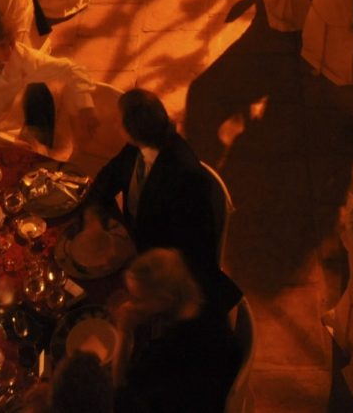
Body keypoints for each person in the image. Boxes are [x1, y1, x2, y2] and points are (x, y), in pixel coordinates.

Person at [84, 90, 240, 314]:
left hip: (162, 277)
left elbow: (189, 251)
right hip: (134, 250)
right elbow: (106, 180)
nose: (114, 123)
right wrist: (93, 221)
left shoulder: (185, 176)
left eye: (118, 120)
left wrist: (134, 259)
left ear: (132, 131)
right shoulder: (136, 148)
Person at [110, 248, 242, 413]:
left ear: (164, 300)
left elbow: (120, 393)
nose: (130, 305)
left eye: (138, 299)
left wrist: (124, 332)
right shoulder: (206, 300)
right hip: (220, 376)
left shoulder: (167, 353)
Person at [0, 10, 93, 156]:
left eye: (12, 42)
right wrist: (6, 142)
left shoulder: (20, 56)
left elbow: (71, 69)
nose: (10, 50)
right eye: (2, 45)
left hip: (13, 123)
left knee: (40, 93)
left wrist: (85, 106)